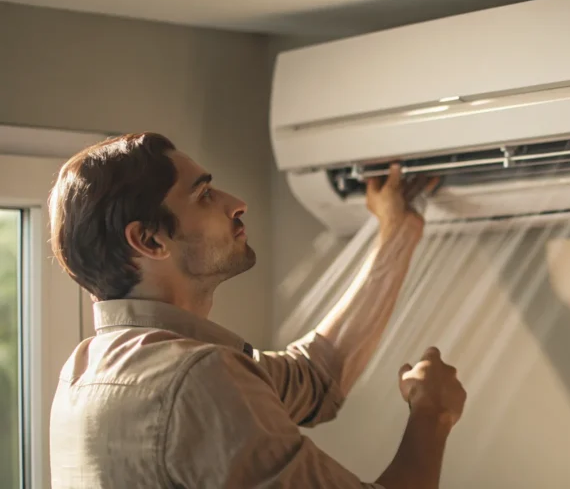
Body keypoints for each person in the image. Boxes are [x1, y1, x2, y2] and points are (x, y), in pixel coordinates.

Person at [46, 132, 466, 488]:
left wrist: (398, 232)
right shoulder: (197, 379)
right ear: (150, 241)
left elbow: (316, 379)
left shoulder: (82, 373)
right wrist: (433, 412)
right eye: (204, 195)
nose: (237, 202)